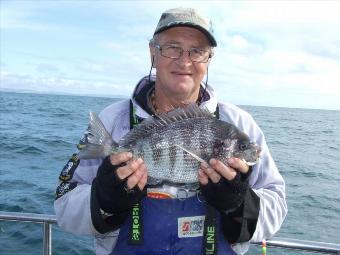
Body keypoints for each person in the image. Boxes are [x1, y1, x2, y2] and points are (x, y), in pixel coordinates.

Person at [54, 7, 287, 255]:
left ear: (208, 59)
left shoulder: (240, 123)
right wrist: (103, 200)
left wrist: (239, 204)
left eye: (197, 51)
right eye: (172, 47)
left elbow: (277, 209)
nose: (185, 61)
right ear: (153, 53)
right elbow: (64, 206)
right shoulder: (112, 120)